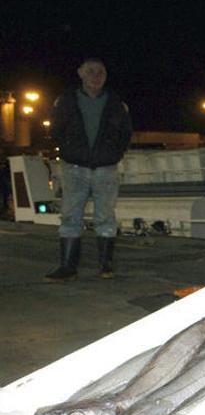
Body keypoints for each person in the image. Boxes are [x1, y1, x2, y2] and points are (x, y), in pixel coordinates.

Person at [45, 58, 132, 282]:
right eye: (91, 71)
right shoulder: (66, 100)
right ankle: (68, 267)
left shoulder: (115, 102)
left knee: (106, 216)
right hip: (74, 167)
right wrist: (69, 150)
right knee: (70, 215)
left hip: (106, 167)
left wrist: (114, 154)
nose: (96, 76)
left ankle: (106, 265)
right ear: (80, 74)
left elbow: (125, 132)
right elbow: (55, 129)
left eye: (101, 72)